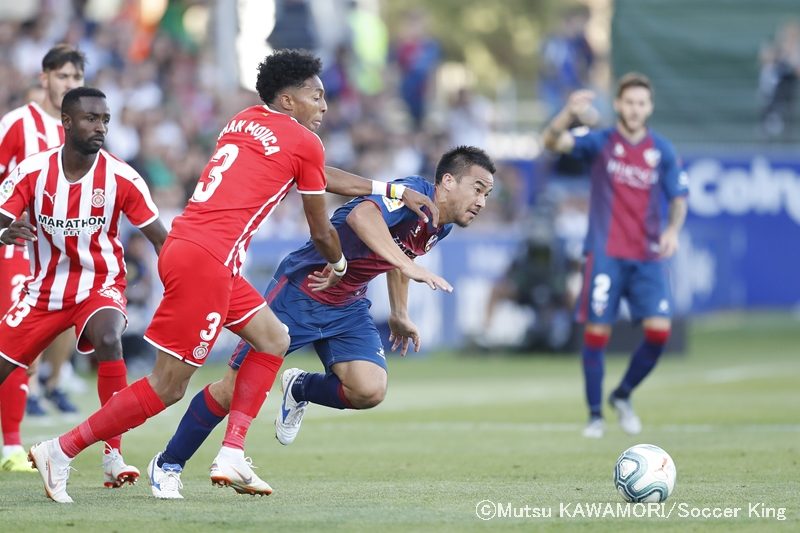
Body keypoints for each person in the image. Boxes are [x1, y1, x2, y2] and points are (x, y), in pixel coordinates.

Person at [25, 49, 440, 504]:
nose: (324, 106)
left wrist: (390, 189)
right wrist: (339, 266)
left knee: (273, 338)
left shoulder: (245, 120)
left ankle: (232, 452)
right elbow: (321, 228)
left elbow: (318, 173)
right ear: (287, 100)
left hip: (194, 247)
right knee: (167, 386)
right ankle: (60, 449)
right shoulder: (304, 142)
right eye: (316, 96)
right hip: (208, 259)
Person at [145, 145, 494, 499]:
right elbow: (363, 218)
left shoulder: (441, 225)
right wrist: (407, 267)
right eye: (477, 188)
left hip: (347, 302)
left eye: (487, 194)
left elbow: (399, 253)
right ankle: (168, 463)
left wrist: (399, 311)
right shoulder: (412, 190)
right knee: (232, 388)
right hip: (303, 289)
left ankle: (299, 388)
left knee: (369, 389)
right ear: (447, 181)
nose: (481, 201)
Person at [0, 86, 168, 497]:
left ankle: (113, 455)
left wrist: (182, 287)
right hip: (42, 292)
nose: (100, 127)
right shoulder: (34, 172)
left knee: (109, 338)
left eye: (105, 119)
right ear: (68, 122)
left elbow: (162, 240)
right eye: (92, 118)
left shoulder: (122, 176)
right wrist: (5, 233)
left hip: (100, 285)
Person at [542, 73, 688, 438]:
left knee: (659, 332)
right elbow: (551, 141)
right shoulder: (600, 142)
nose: (635, 109)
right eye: (629, 102)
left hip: (648, 256)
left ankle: (622, 395)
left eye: (642, 103)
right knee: (596, 334)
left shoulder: (662, 150)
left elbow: (679, 198)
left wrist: (672, 231)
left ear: (649, 107)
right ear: (619, 105)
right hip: (605, 254)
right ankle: (594, 416)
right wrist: (567, 114)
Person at [0, 44, 86, 473]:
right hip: (16, 245)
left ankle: (52, 385)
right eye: (63, 76)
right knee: (18, 340)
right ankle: (11, 446)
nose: (69, 85)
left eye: (76, 78)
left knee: (69, 326)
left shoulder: (80, 131)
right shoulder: (17, 124)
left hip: (63, 252)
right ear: (45, 78)